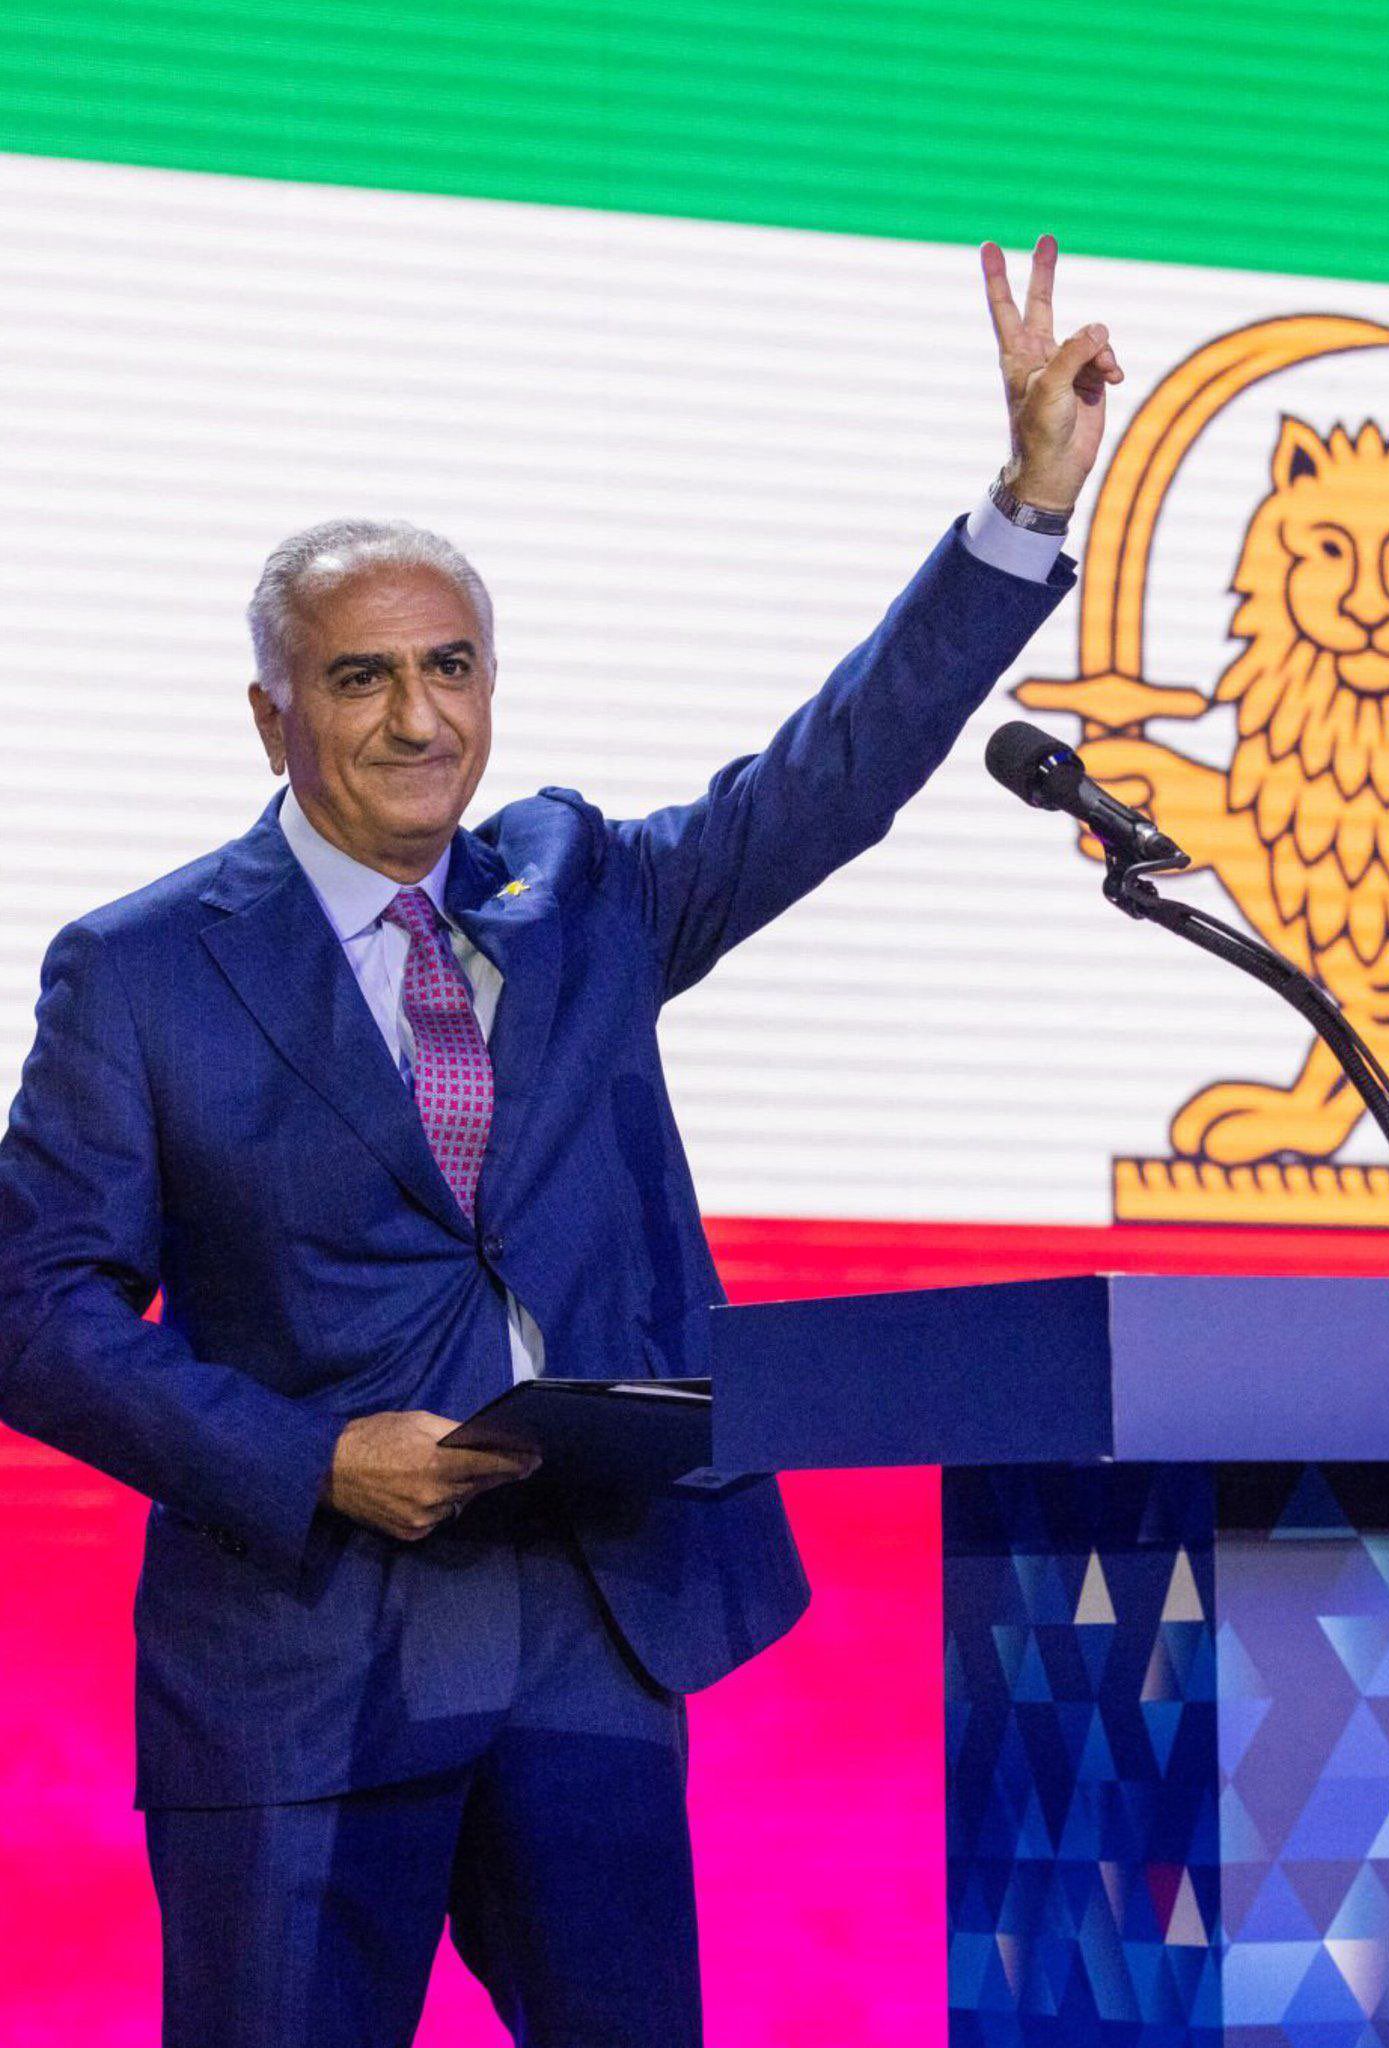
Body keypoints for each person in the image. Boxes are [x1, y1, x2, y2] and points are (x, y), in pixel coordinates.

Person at [0, 237, 1120, 2046]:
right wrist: (311, 1458)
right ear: (272, 715)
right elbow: (31, 1310)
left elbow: (830, 774)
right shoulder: (140, 973)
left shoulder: (580, 889)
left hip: (582, 1648)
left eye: (451, 667)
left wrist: (1024, 508)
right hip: (300, 1670)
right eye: (362, 679)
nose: (419, 718)